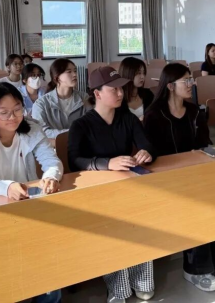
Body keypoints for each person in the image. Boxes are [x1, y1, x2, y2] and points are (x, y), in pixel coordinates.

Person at [144, 64, 215, 292]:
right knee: (197, 205)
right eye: (186, 80)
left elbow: (204, 144)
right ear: (170, 86)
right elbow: (151, 153)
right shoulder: (154, 115)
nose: (191, 84)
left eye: (191, 79)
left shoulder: (195, 111)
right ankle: (195, 268)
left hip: (196, 174)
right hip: (167, 179)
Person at [0, 83, 63, 303]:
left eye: (18, 109)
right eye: (4, 112)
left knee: (47, 264)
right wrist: (6, 187)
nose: (13, 117)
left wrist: (51, 176)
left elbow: (51, 161)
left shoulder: (31, 129)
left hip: (29, 206)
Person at [68, 66, 155, 303]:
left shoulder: (128, 119)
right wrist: (107, 163)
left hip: (128, 187)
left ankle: (142, 278)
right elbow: (75, 160)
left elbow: (147, 144)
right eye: (113, 89)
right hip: (97, 192)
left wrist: (146, 153)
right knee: (113, 227)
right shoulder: (81, 125)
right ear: (97, 93)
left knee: (142, 220)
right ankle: (118, 287)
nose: (120, 93)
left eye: (121, 89)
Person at [32, 58, 89, 140]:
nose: (75, 74)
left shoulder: (84, 98)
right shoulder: (41, 104)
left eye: (75, 71)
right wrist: (74, 132)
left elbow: (92, 124)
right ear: (57, 77)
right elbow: (42, 131)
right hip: (53, 146)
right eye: (69, 71)